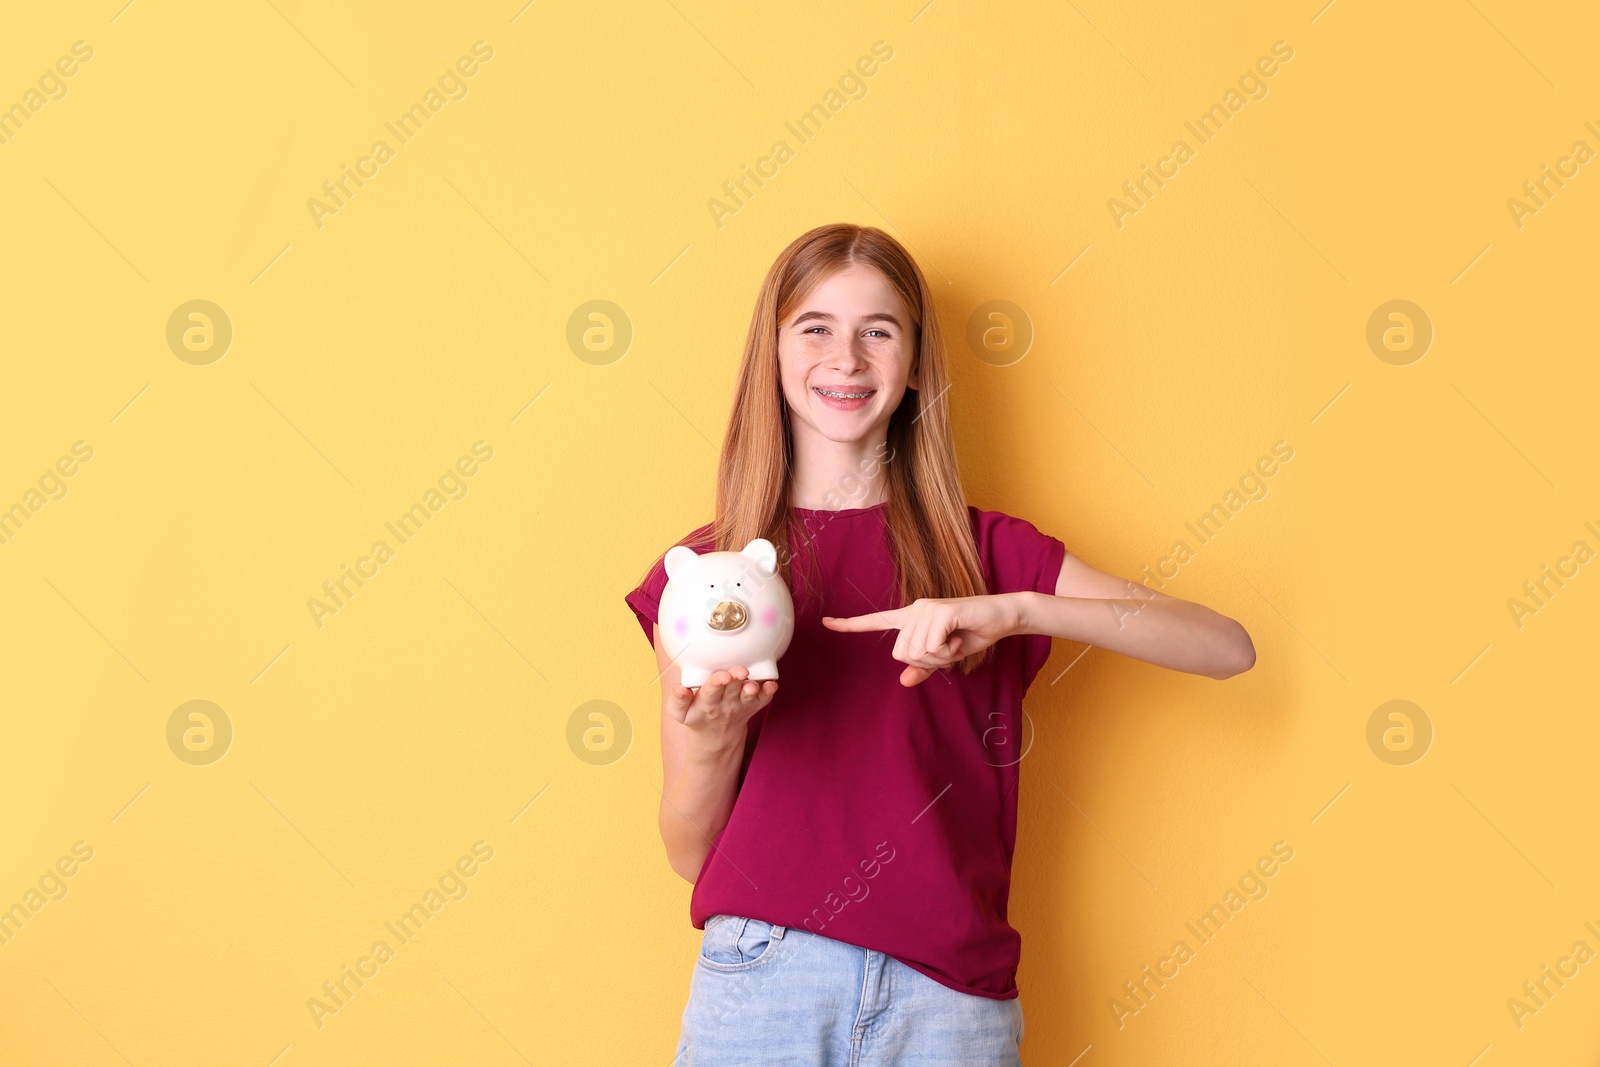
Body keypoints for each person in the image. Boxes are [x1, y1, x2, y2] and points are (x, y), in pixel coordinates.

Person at [623, 222, 1255, 1065]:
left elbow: (1225, 645)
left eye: (878, 330)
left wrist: (1016, 611)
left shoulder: (986, 555)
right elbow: (690, 853)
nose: (845, 358)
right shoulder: (708, 580)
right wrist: (711, 740)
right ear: (771, 356)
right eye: (815, 328)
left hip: (950, 997)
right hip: (763, 978)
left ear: (916, 363)